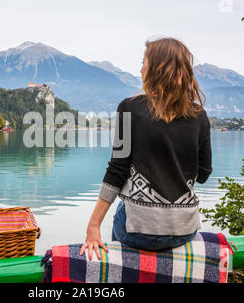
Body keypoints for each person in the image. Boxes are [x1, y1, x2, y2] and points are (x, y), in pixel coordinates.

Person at [80, 38, 212, 261]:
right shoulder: (200, 116)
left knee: (124, 210)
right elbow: (204, 174)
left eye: (144, 62)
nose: (141, 68)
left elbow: (117, 170)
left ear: (157, 70)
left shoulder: (129, 108)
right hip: (184, 231)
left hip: (139, 232)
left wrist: (93, 226)